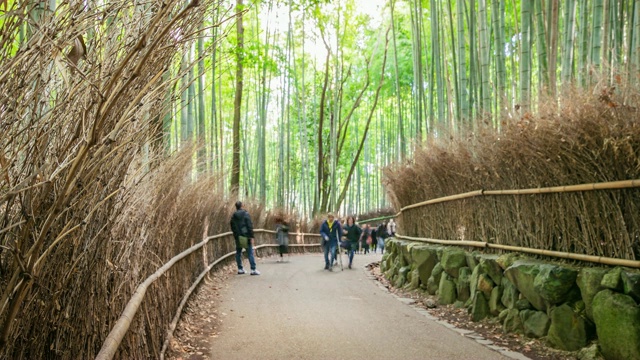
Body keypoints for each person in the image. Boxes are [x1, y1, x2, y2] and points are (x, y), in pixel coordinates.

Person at [229, 201, 260, 275]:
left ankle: (240, 269)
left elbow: (232, 226)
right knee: (250, 253)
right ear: (242, 206)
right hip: (246, 236)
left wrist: (236, 235)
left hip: (238, 237)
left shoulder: (233, 216)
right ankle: (253, 269)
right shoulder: (246, 214)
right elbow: (249, 225)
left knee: (238, 253)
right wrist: (251, 236)